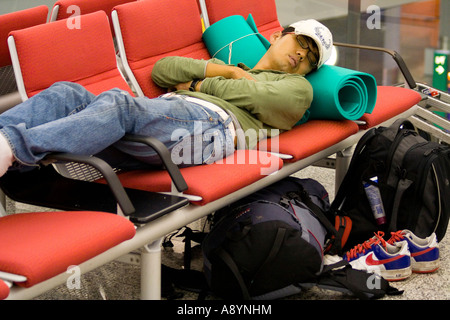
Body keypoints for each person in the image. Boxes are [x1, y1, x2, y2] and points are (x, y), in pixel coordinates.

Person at [0, 19, 333, 177]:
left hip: (211, 130)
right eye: (301, 44)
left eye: (310, 58)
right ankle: (3, 140)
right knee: (65, 93)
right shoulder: (228, 67)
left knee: (119, 104)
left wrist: (200, 86)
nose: (302, 56)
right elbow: (163, 71)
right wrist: (226, 73)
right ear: (278, 36)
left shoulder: (298, 89)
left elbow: (262, 98)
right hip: (165, 118)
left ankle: (11, 148)